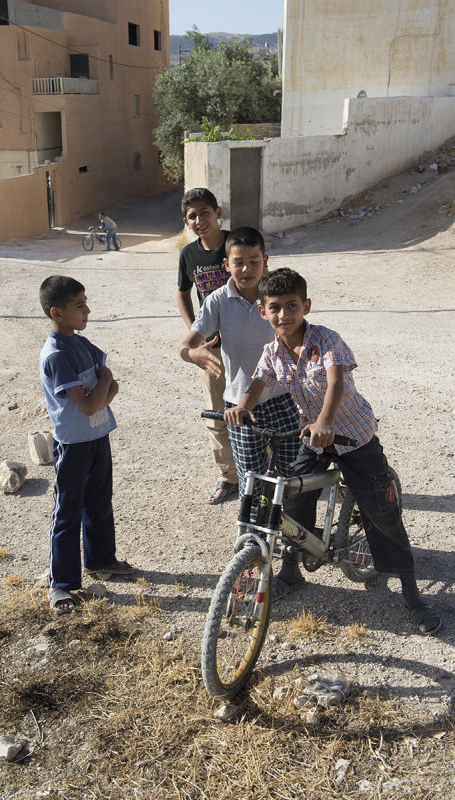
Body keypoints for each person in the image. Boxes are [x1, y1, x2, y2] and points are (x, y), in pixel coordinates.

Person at [225, 267, 441, 635]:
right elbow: (258, 381)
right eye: (274, 307)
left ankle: (411, 593)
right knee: (291, 497)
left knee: (380, 510)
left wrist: (326, 422)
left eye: (292, 306)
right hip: (313, 436)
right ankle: (292, 572)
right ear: (263, 311)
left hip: (352, 437)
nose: (283, 315)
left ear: (306, 306)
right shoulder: (272, 351)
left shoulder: (326, 340)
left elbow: (336, 381)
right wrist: (243, 405)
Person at [179, 228, 300, 511]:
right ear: (226, 264)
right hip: (239, 407)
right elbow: (186, 345)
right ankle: (253, 541)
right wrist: (194, 353)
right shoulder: (218, 300)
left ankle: (289, 533)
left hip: (282, 399)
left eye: (254, 261)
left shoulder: (277, 297)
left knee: (290, 475)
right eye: (238, 262)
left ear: (265, 260)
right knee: (252, 480)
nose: (246, 269)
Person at [39, 275, 134, 613]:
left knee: (99, 501)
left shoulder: (81, 343)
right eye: (79, 306)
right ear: (57, 312)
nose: (87, 310)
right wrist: (104, 380)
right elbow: (93, 401)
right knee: (67, 511)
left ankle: (101, 560)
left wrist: (105, 387)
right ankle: (61, 585)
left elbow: (112, 390)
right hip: (74, 443)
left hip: (97, 436)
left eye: (86, 303)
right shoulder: (55, 356)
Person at [177, 188, 238, 504]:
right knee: (217, 414)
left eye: (204, 212)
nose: (199, 220)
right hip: (211, 351)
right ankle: (229, 477)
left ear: (218, 212)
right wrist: (195, 333)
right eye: (192, 216)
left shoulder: (235, 243)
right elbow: (183, 293)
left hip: (246, 344)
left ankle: (265, 469)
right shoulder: (188, 255)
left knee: (256, 408)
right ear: (186, 221)